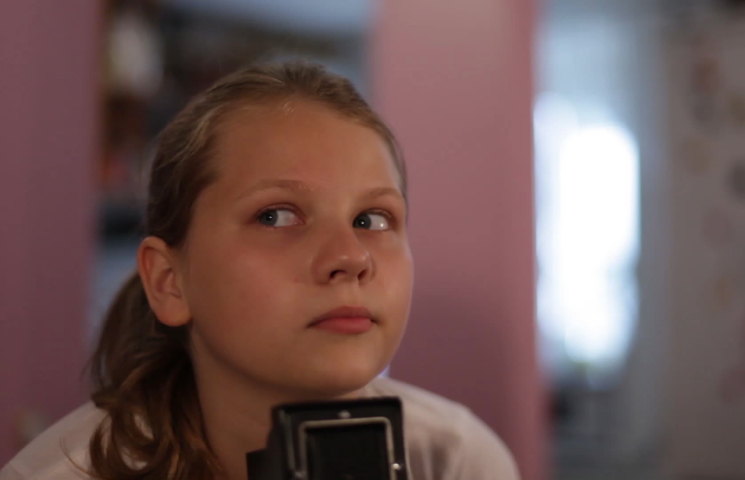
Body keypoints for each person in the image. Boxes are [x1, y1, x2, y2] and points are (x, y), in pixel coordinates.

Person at [0, 60, 520, 480]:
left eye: (372, 218)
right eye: (276, 216)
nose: (351, 257)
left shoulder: (459, 460)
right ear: (168, 280)